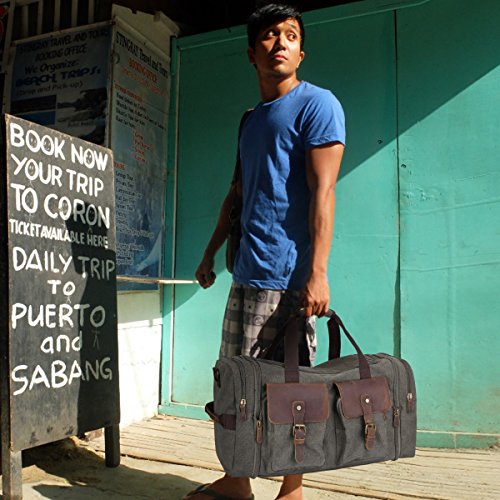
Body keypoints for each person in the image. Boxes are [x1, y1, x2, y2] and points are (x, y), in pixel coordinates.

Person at [189, 4, 345, 499]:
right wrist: (210, 252)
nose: (280, 42)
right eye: (270, 35)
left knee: (292, 392)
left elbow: (324, 192)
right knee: (234, 386)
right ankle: (237, 480)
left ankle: (292, 488)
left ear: (301, 52)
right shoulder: (250, 120)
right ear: (251, 53)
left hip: (290, 280)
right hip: (246, 274)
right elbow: (238, 192)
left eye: (291, 35)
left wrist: (318, 273)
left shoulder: (317, 105)